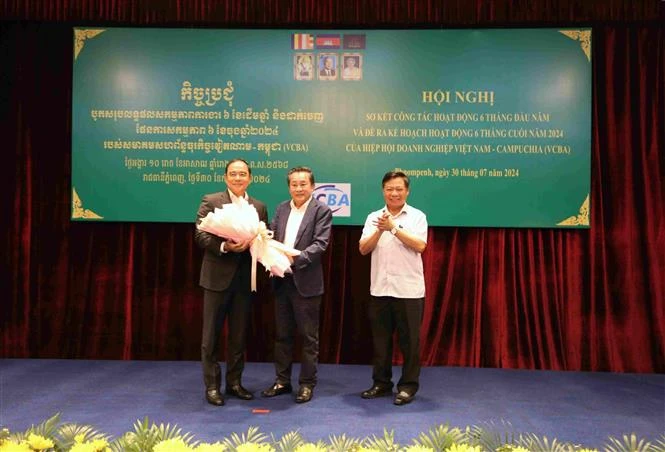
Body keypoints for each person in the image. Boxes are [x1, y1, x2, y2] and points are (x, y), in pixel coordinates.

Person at [195, 158, 268, 406]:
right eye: (233, 174)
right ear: (226, 178)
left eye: (243, 174)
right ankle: (213, 386)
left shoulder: (258, 206)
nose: (238, 178)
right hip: (216, 279)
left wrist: (257, 242)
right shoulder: (212, 201)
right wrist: (225, 245)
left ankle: (235, 383)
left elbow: (265, 236)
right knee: (210, 337)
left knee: (238, 336)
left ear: (250, 178)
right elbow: (200, 234)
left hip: (244, 281)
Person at [261, 167, 333, 403]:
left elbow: (320, 245)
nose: (299, 188)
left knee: (308, 338)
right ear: (289, 186)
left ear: (312, 187)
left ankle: (306, 384)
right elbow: (273, 238)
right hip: (282, 281)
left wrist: (293, 259)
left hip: (306, 282)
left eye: (303, 184)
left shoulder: (321, 210)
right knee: (282, 335)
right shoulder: (282, 208)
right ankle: (282, 381)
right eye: (294, 184)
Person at [358, 171, 428, 406]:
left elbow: (420, 245)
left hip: (408, 290)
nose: (394, 193)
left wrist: (394, 228)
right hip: (380, 289)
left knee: (410, 342)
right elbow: (363, 249)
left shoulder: (417, 216)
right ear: (383, 191)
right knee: (381, 341)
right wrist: (380, 228)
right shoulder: (373, 217)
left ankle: (408, 386)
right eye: (390, 188)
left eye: (399, 189)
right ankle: (381, 383)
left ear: (407, 191)